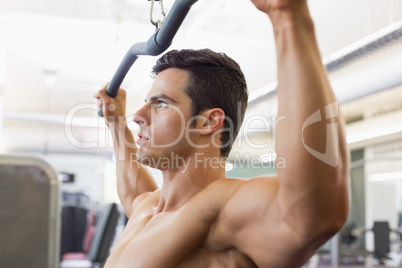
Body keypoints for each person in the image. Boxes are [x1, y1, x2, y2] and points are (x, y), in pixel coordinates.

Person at [94, 0, 349, 267]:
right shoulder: (148, 207)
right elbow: (132, 193)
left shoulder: (222, 209)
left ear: (208, 122)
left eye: (160, 104)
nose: (138, 115)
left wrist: (287, 17)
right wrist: (116, 124)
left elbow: (312, 215)